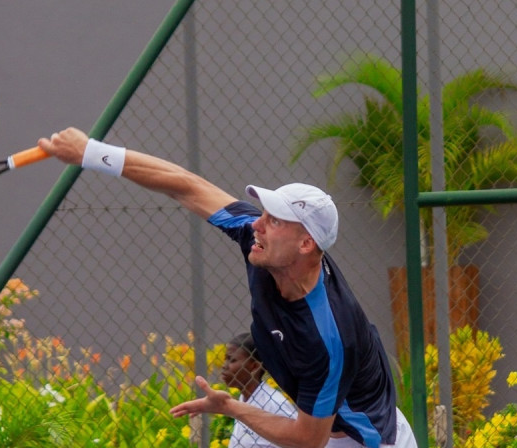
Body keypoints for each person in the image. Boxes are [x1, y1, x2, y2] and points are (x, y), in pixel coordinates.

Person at [38, 128, 417, 448]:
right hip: (323, 419)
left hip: (362, 440)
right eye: (263, 214)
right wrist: (92, 152)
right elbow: (188, 187)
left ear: (305, 244)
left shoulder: (329, 336)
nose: (257, 225)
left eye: (274, 220)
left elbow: (308, 439)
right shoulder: (260, 244)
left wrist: (233, 407)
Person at [222, 332, 297, 448]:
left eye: (232, 360)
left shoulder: (274, 404)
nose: (224, 366)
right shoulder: (244, 398)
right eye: (225, 359)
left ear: (254, 367)